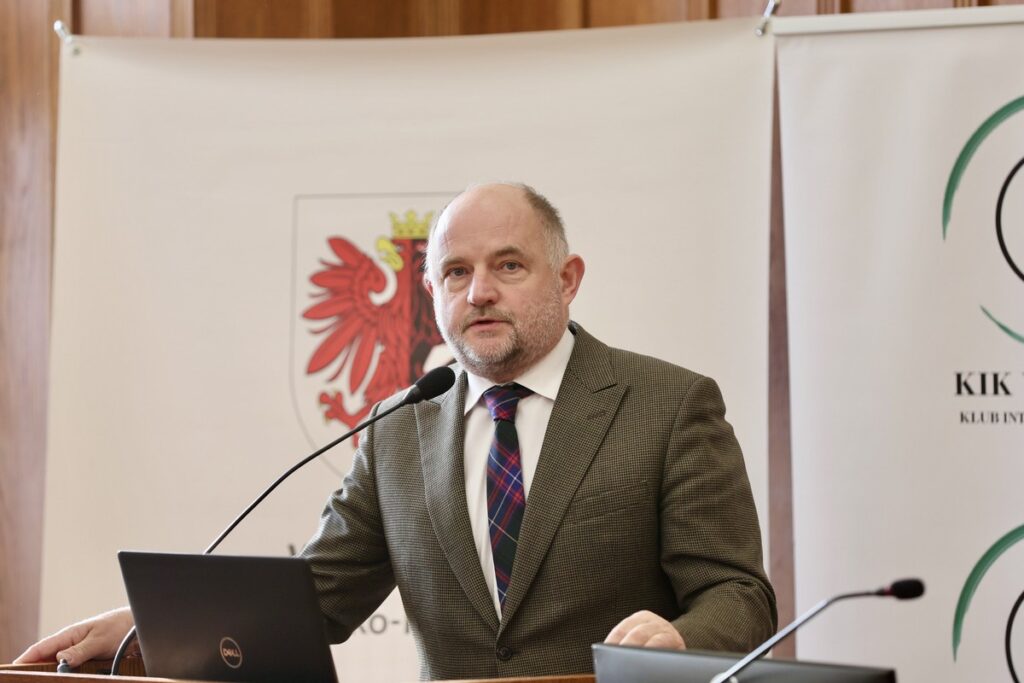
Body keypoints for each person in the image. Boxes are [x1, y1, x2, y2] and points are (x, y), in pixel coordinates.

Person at [16, 182, 776, 678]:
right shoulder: (398, 426)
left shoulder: (668, 405)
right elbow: (316, 601)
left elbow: (738, 594)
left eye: (509, 265)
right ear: (432, 291)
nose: (479, 292)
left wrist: (680, 637)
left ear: (568, 278)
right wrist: (159, 625)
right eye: (455, 272)